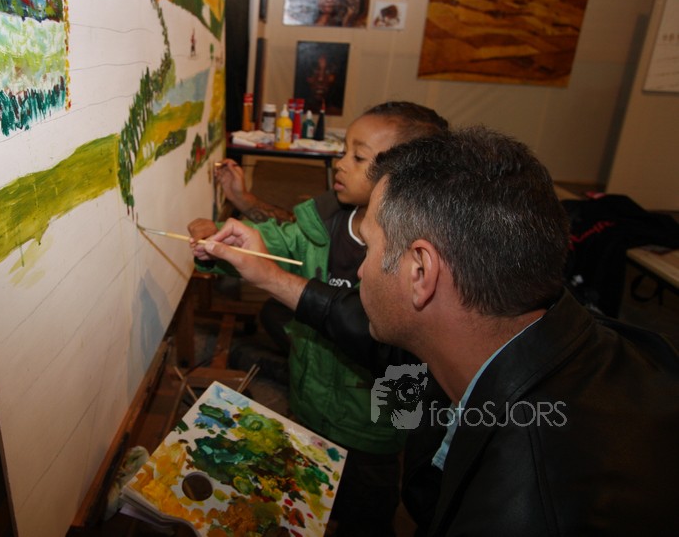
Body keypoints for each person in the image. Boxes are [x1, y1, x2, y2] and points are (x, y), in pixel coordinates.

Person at [200, 127, 679, 535]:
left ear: (421, 271)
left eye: (370, 248)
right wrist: (269, 276)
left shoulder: (521, 507)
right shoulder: (556, 333)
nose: (361, 270)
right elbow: (388, 348)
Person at [189, 102, 449, 536]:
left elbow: (407, 357)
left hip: (374, 434)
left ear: (408, 177)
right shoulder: (323, 225)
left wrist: (394, 428)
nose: (340, 164)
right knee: (306, 505)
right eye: (344, 151)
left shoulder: (420, 256)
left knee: (365, 517)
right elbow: (273, 242)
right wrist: (221, 247)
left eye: (358, 157)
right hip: (309, 405)